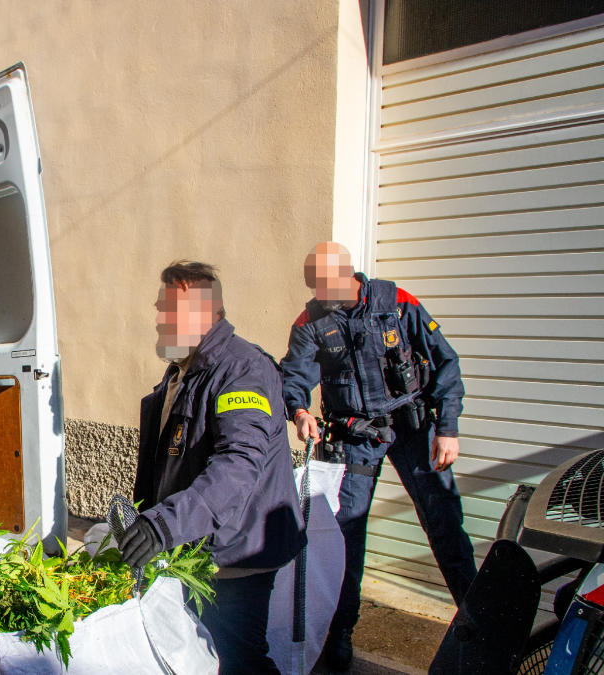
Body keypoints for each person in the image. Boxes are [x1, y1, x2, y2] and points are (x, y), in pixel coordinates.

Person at [280, 242, 477, 672]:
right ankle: (340, 632)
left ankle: (480, 625)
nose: (319, 296)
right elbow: (293, 377)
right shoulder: (311, 321)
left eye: (325, 286)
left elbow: (445, 362)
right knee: (347, 536)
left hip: (413, 428)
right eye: (314, 288)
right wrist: (298, 411)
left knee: (445, 523)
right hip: (357, 436)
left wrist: (447, 429)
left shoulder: (397, 301)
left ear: (348, 274)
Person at [119, 261, 306, 675]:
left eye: (169, 310)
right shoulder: (183, 370)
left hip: (236, 551)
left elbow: (238, 466)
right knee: (202, 654)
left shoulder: (242, 369)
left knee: (238, 659)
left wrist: (163, 526)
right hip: (197, 544)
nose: (158, 319)